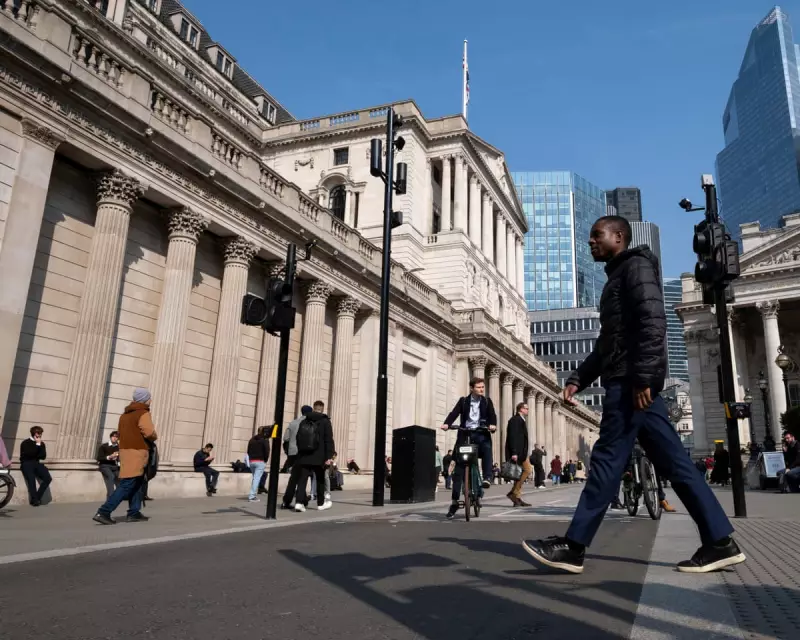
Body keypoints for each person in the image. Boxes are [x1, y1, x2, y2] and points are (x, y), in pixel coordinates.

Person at [521, 215, 745, 574]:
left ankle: (574, 547)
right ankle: (720, 542)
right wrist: (579, 377)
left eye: (597, 235)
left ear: (619, 237)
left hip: (629, 385)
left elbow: (653, 322)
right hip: (630, 381)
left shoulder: (635, 268)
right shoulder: (619, 275)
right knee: (678, 465)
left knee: (608, 462)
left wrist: (644, 378)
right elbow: (609, 343)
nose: (591, 242)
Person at [93, 388, 157, 525]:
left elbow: (121, 433)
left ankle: (134, 512)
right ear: (145, 399)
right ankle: (104, 511)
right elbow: (149, 432)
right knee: (128, 483)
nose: (150, 400)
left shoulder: (124, 415)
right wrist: (154, 436)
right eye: (149, 398)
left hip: (125, 450)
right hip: (137, 451)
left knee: (137, 482)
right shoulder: (143, 413)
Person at [441, 377, 498, 519]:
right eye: (479, 387)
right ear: (472, 388)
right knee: (458, 469)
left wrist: (492, 425)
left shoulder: (486, 401)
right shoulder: (464, 401)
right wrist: (447, 424)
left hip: (481, 433)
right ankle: (454, 502)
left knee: (486, 448)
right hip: (465, 434)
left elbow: (492, 415)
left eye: (482, 387)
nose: (481, 390)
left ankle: (487, 477)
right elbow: (454, 413)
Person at [281, 406, 335, 512]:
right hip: (319, 456)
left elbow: (297, 438)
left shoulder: (304, 420)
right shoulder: (325, 421)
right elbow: (328, 440)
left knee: (302, 479)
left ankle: (299, 503)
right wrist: (329, 456)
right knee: (320, 479)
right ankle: (320, 503)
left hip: (304, 455)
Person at [505, 401, 532, 507]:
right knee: (527, 470)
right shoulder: (515, 420)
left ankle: (516, 496)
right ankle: (514, 493)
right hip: (518, 452)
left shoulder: (521, 420)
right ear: (521, 409)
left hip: (522, 452)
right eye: (526, 408)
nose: (527, 410)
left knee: (521, 473)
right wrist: (514, 452)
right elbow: (513, 436)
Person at [19, 426, 52, 506]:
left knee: (48, 478)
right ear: (34, 434)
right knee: (31, 479)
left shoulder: (41, 444)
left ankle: (36, 497)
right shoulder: (25, 443)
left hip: (36, 463)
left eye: (40, 434)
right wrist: (37, 445)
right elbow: (29, 455)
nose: (40, 435)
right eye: (38, 434)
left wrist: (39, 445)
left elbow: (43, 456)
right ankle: (35, 500)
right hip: (26, 463)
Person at [283, 405, 311, 473]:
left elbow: (286, 438)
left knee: (292, 474)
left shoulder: (293, 423)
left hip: (292, 451)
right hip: (305, 452)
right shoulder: (310, 423)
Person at [246, 428, 270, 502]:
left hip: (252, 461)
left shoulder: (252, 439)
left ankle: (253, 494)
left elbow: (248, 450)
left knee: (255, 478)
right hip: (260, 461)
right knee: (256, 478)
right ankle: (252, 496)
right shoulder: (264, 440)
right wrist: (265, 460)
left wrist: (250, 458)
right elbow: (267, 451)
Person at [96, 431, 120, 499]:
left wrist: (117, 459)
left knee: (120, 477)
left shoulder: (118, 447)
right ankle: (110, 496)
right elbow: (99, 458)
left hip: (114, 466)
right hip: (104, 465)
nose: (115, 438)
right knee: (111, 476)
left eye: (117, 437)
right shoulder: (104, 446)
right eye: (114, 436)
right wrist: (109, 457)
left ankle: (120, 495)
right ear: (110, 437)